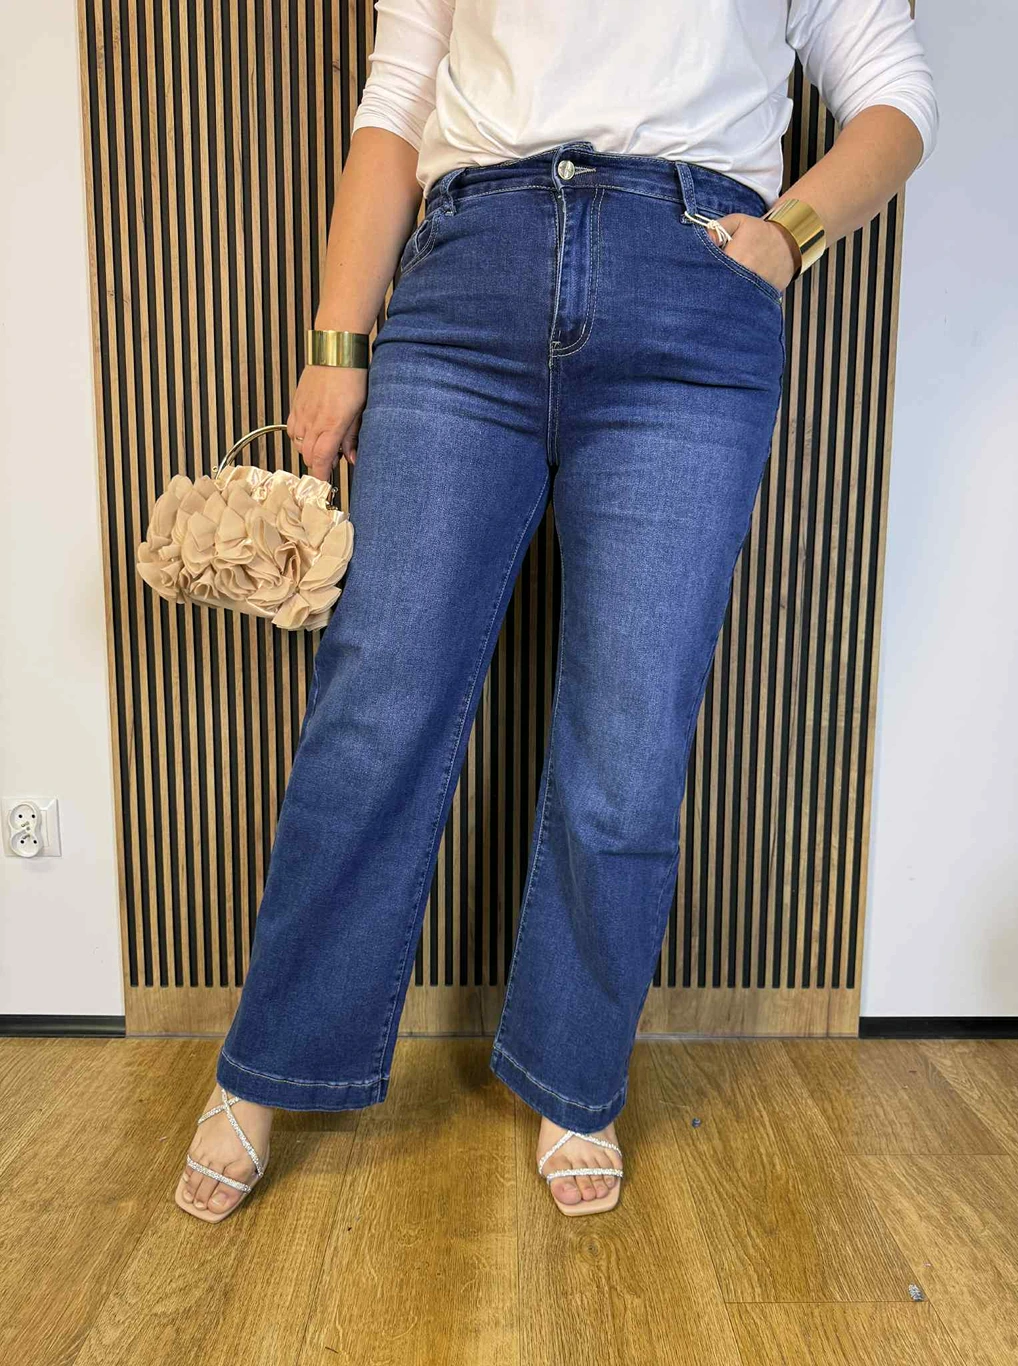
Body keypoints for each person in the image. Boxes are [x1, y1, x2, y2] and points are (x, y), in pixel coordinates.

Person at [175, 0, 938, 1221]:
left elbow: (895, 101)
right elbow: (394, 106)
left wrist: (788, 235)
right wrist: (337, 342)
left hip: (692, 298)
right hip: (468, 278)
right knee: (376, 705)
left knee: (630, 733)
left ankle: (574, 1076)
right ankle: (268, 1067)